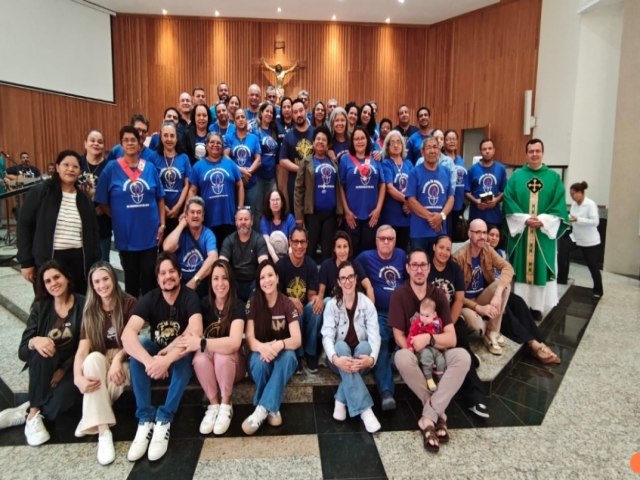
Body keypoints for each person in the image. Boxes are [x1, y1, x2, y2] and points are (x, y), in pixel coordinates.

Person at [121, 252, 203, 462]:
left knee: (186, 354)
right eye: (163, 273)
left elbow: (195, 331)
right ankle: (145, 418)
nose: (168, 276)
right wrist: (151, 362)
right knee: (138, 346)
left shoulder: (190, 297)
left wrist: (167, 359)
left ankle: (165, 417)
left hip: (177, 358)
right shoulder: (150, 298)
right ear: (157, 279)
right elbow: (127, 335)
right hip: (156, 355)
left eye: (172, 271)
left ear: (180, 274)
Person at [389, 249, 471, 454]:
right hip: (413, 353)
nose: (419, 270)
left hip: (438, 352)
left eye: (423, 265)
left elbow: (451, 338)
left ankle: (428, 418)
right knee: (401, 357)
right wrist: (413, 351)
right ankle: (438, 414)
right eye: (414, 265)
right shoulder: (399, 294)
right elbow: (398, 335)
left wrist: (429, 339)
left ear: (428, 268)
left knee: (463, 357)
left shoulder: (438, 295)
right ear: (408, 268)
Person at [73, 262, 137, 465]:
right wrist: (77, 377)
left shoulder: (129, 303)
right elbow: (82, 350)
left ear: (113, 279)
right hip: (101, 359)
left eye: (105, 279)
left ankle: (90, 415)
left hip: (125, 357)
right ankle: (104, 432)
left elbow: (136, 341)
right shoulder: (90, 311)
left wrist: (118, 359)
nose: (102, 285)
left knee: (116, 378)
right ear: (92, 286)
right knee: (91, 360)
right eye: (97, 282)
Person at [14, 261, 84, 446]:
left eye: (56, 277)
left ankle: (26, 412)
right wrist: (34, 341)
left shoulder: (83, 304)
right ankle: (33, 413)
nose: (53, 283)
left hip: (72, 366)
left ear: (67, 278)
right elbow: (23, 352)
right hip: (44, 366)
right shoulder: (40, 307)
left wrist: (63, 370)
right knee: (43, 348)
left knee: (63, 401)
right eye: (47, 281)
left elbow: (86, 345)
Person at [173, 259, 246, 435]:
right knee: (199, 359)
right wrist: (168, 351)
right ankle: (213, 405)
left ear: (230, 281)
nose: (220, 283)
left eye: (224, 278)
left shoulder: (238, 305)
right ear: (210, 282)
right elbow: (189, 333)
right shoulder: (203, 304)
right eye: (215, 278)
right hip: (210, 366)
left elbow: (234, 343)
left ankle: (226, 403)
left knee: (221, 355)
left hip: (233, 366)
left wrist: (203, 343)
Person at [95, 126, 166, 297]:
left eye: (133, 140)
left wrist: (162, 224)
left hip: (149, 234)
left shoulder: (149, 168)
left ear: (140, 143)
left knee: (149, 277)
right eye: (125, 140)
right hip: (126, 235)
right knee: (131, 279)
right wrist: (117, 216)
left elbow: (160, 198)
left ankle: (149, 310)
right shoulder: (111, 168)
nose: (130, 143)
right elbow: (101, 201)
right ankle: (132, 311)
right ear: (121, 144)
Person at [17, 150, 100, 295]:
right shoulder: (41, 192)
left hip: (78, 260)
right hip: (49, 259)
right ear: (57, 167)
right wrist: (26, 262)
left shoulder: (84, 199)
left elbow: (93, 231)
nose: (70, 169)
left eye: (75, 166)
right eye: (66, 165)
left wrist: (95, 261)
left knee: (78, 301)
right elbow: (24, 225)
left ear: (80, 171)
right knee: (48, 303)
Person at [503, 138, 570, 316]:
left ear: (542, 153)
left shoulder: (554, 178)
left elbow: (559, 205)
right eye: (531, 151)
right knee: (520, 269)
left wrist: (543, 220)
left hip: (543, 234)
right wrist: (524, 219)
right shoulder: (516, 176)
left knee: (540, 269)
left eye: (537, 151)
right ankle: (521, 307)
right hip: (522, 234)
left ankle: (537, 307)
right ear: (526, 154)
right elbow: (508, 201)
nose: (534, 154)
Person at [428, 235, 489, 417]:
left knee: (460, 342)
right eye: (441, 247)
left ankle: (475, 398)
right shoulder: (425, 267)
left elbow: (459, 299)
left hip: (452, 319)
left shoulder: (454, 268)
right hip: (429, 321)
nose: (444, 252)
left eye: (448, 249)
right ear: (434, 247)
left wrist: (449, 324)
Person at [486, 227, 561, 364]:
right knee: (506, 311)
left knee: (518, 302)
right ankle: (532, 343)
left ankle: (540, 340)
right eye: (491, 235)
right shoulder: (482, 253)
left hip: (501, 291)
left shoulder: (500, 254)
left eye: (497, 235)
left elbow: (508, 272)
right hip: (487, 295)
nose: (494, 238)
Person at [321, 261, 381, 433]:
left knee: (365, 346)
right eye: (343, 278)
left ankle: (340, 400)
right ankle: (366, 411)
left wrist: (371, 359)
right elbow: (327, 336)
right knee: (339, 346)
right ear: (339, 282)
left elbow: (375, 336)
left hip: (361, 360)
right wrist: (335, 359)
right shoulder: (332, 305)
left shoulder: (367, 304)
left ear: (356, 279)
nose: (347, 281)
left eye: (350, 277)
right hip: (338, 360)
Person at [242, 260, 302, 435]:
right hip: (259, 354)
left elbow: (297, 339)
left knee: (290, 356)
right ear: (258, 282)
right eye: (262, 277)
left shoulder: (287, 303)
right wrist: (263, 348)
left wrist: (280, 344)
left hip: (281, 356)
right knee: (260, 364)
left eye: (270, 275)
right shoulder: (253, 302)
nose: (266, 280)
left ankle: (261, 410)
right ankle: (272, 407)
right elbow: (250, 339)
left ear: (277, 278)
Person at [355, 225, 406, 411]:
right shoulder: (365, 257)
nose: (386, 242)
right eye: (382, 238)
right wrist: (367, 287)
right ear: (376, 241)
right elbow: (351, 267)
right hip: (380, 313)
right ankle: (386, 392)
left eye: (390, 239)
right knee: (380, 341)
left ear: (395, 241)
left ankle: (396, 361)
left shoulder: (402, 255)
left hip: (403, 313)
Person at [453, 219, 513, 355]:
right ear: (469, 234)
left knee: (504, 286)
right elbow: (456, 295)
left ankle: (492, 332)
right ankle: (486, 328)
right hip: (465, 303)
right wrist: (478, 308)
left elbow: (507, 268)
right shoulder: (458, 258)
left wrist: (497, 295)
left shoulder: (487, 249)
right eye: (478, 232)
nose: (482, 236)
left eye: (484, 232)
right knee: (476, 326)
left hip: (481, 297)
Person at [275, 226, 323, 373]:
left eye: (302, 242)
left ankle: (310, 352)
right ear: (290, 242)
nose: (299, 246)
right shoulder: (281, 265)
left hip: (304, 311)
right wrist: (290, 300)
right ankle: (298, 353)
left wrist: (316, 299)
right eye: (296, 241)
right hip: (285, 312)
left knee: (316, 309)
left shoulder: (311, 265)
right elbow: (274, 296)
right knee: (295, 309)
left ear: (307, 243)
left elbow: (311, 295)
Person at [294, 126, 342, 261]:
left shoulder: (333, 161)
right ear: (313, 142)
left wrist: (340, 211)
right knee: (310, 250)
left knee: (328, 251)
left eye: (324, 140)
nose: (321, 142)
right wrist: (299, 216)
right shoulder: (306, 162)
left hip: (331, 215)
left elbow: (339, 186)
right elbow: (298, 190)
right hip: (312, 214)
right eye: (318, 139)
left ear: (328, 144)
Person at [188, 132, 244, 247]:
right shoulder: (198, 166)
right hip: (208, 219)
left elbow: (240, 185)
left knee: (228, 253)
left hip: (229, 218)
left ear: (222, 146)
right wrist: (187, 210)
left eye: (218, 143)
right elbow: (192, 191)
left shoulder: (230, 164)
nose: (215, 145)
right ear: (206, 145)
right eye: (212, 142)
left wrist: (240, 209)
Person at [339, 126, 386, 255]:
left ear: (367, 140)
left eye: (362, 138)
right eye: (356, 139)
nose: (360, 141)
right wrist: (346, 211)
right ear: (352, 142)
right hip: (352, 216)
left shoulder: (375, 159)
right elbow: (341, 186)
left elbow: (382, 184)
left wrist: (378, 210)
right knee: (352, 253)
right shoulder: (345, 160)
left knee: (369, 253)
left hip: (372, 216)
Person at [163, 196, 218, 297]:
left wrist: (194, 282)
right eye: (192, 212)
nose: (195, 215)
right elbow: (167, 248)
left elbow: (213, 258)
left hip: (200, 281)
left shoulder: (208, 234)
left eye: (199, 212)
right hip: (181, 280)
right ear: (186, 216)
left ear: (203, 217)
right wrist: (181, 225)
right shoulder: (181, 233)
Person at [406, 136, 454, 253]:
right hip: (419, 232)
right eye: (428, 147)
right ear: (422, 152)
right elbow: (411, 200)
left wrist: (441, 216)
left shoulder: (446, 172)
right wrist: (432, 219)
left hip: (440, 231)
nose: (432, 151)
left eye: (435, 147)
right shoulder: (414, 172)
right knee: (419, 262)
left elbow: (451, 198)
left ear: (439, 150)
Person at [219, 207, 269, 302]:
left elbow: (264, 264)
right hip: (234, 282)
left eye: (246, 219)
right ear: (236, 222)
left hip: (254, 281)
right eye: (240, 219)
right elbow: (221, 264)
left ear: (252, 221)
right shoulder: (228, 240)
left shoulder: (259, 239)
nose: (243, 222)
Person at [78, 129, 112, 262]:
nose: (96, 144)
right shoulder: (77, 164)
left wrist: (104, 208)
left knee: (102, 264)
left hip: (101, 225)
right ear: (85, 143)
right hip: (78, 224)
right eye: (92, 140)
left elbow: (115, 194)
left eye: (100, 142)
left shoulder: (109, 167)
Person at [152, 121, 191, 235]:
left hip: (179, 211)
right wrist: (163, 207)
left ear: (177, 138)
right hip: (159, 211)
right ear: (161, 137)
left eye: (172, 136)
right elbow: (152, 185)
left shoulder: (184, 158)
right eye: (165, 135)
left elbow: (187, 185)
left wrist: (178, 206)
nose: (169, 139)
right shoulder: (153, 157)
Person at [224, 108, 262, 224]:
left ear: (247, 120)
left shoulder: (254, 138)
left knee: (252, 216)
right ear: (234, 122)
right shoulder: (229, 137)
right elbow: (225, 157)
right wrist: (241, 170)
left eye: (243, 117)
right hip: (235, 183)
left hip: (251, 182)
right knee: (235, 215)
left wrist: (248, 172)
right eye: (238, 118)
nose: (240, 119)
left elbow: (258, 159)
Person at [568, 181, 603, 298]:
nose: (573, 196)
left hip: (590, 241)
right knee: (562, 250)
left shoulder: (590, 204)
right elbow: (572, 217)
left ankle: (598, 291)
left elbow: (595, 222)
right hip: (575, 237)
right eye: (571, 194)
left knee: (592, 265)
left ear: (581, 193)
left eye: (574, 193)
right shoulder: (574, 204)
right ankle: (562, 277)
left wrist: (578, 219)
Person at [380, 130, 413, 250]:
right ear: (387, 146)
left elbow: (415, 186)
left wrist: (411, 203)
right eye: (392, 142)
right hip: (391, 217)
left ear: (402, 145)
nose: (395, 145)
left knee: (403, 251)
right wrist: (408, 201)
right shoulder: (386, 164)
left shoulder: (409, 164)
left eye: (398, 142)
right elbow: (389, 188)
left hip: (407, 217)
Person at [278, 98, 314, 210]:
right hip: (295, 184)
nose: (299, 114)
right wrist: (300, 169)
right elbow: (282, 160)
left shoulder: (316, 133)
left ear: (306, 111)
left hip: (314, 182)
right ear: (292, 115)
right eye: (295, 112)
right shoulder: (288, 136)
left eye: (301, 110)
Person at [407, 296, 446, 392]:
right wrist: (410, 347)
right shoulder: (417, 323)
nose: (423, 318)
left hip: (434, 347)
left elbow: (440, 334)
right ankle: (429, 378)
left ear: (434, 315)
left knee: (440, 359)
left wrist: (442, 346)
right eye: (421, 314)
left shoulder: (437, 323)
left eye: (427, 316)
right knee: (426, 356)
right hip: (422, 349)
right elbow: (411, 335)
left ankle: (440, 377)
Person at [465, 139, 507, 228]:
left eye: (489, 148)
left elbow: (505, 191)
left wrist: (496, 200)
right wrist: (476, 201)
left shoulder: (501, 169)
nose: (487, 151)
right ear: (480, 152)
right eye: (484, 149)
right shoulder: (472, 169)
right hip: (476, 217)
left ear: (494, 150)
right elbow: (466, 193)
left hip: (494, 218)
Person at [442, 130, 468, 240]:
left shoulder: (460, 160)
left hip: (458, 204)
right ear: (444, 142)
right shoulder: (441, 160)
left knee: (455, 235)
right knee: (445, 235)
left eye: (454, 139)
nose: (451, 141)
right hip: (445, 203)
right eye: (448, 139)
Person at [254, 102, 279, 210]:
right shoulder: (255, 130)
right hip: (259, 177)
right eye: (267, 111)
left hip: (272, 177)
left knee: (272, 208)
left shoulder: (274, 131)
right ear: (261, 113)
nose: (269, 114)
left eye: (271, 112)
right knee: (258, 208)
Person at [261, 188, 297, 263]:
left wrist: (289, 259)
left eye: (277, 199)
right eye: (273, 200)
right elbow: (266, 241)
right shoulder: (264, 219)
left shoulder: (290, 218)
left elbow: (292, 241)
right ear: (269, 204)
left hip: (288, 256)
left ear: (282, 203)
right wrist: (276, 259)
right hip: (270, 256)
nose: (275, 202)